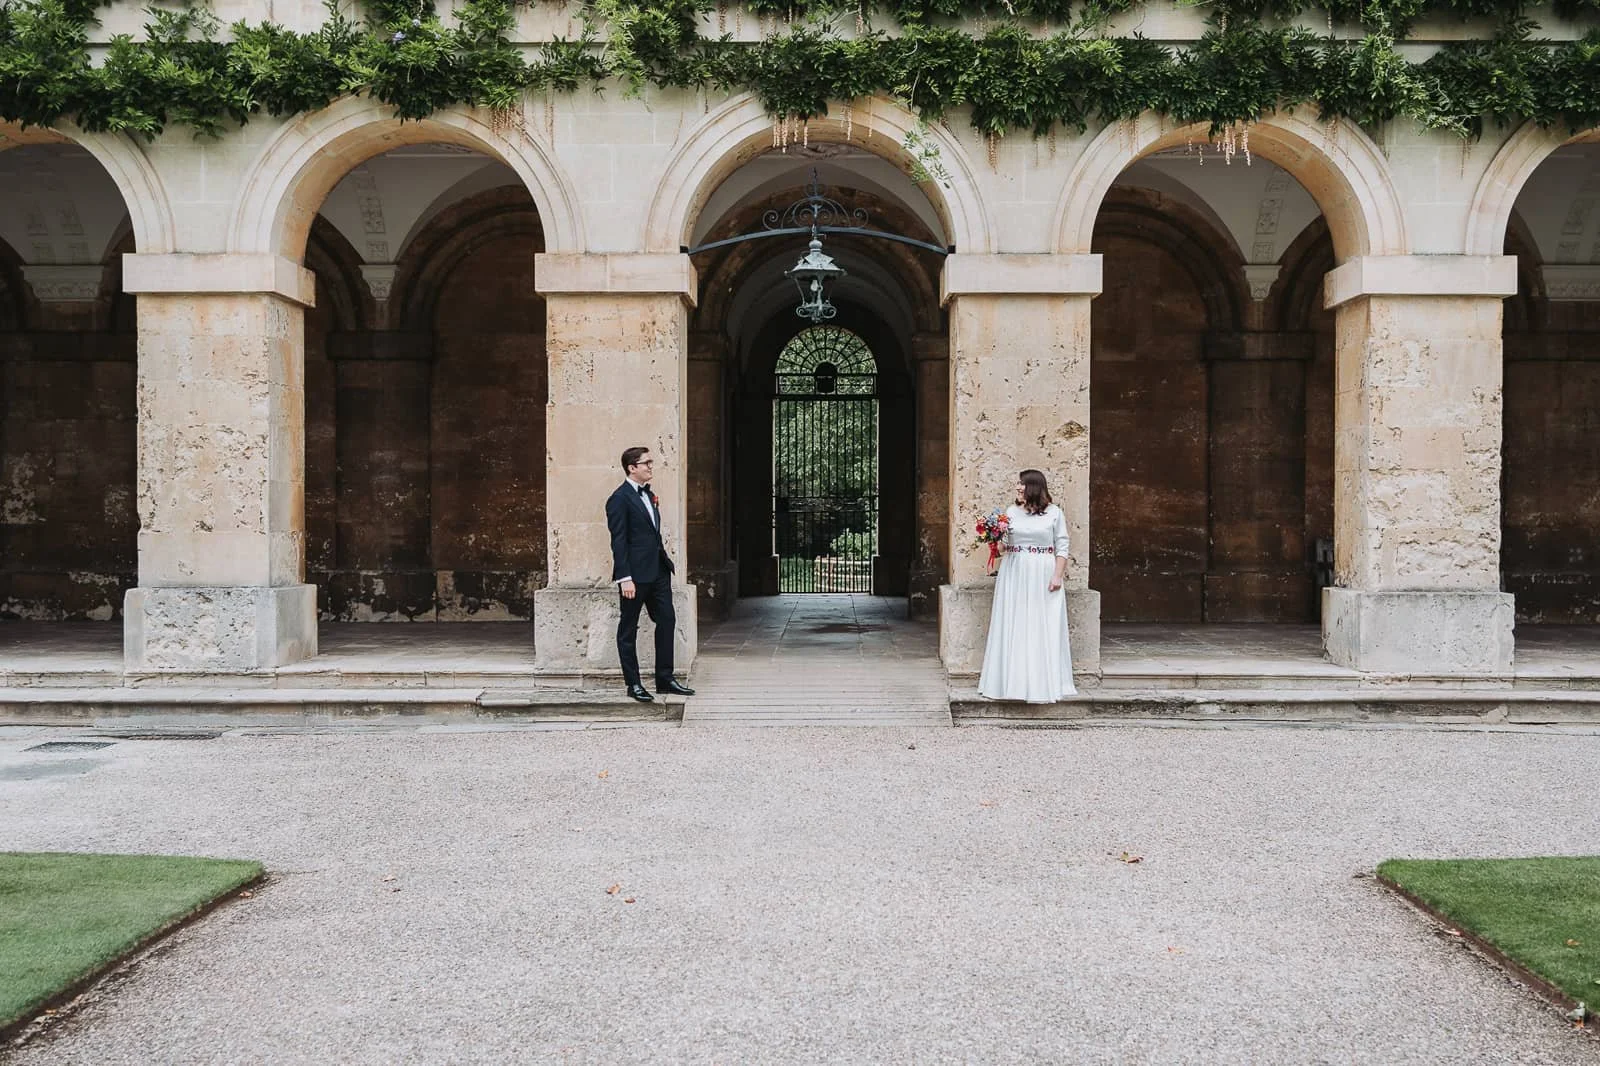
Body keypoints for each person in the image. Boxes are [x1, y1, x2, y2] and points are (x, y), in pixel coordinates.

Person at [977, 468, 1076, 702]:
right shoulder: (1011, 512)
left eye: (1021, 484)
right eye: (1017, 483)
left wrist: (1057, 576)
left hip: (1043, 571)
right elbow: (1003, 549)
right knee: (1015, 622)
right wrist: (994, 537)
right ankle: (1011, 685)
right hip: (1014, 571)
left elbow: (1062, 547)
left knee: (1042, 624)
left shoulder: (1054, 513)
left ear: (1033, 487)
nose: (1017, 487)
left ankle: (1042, 684)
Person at [606, 446, 695, 702]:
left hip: (658, 572)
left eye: (650, 462)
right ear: (632, 468)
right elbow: (619, 541)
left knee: (667, 620)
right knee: (628, 629)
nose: (650, 467)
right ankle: (633, 684)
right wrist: (625, 578)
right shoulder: (619, 499)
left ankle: (665, 679)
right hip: (634, 577)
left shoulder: (650, 494)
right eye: (646, 463)